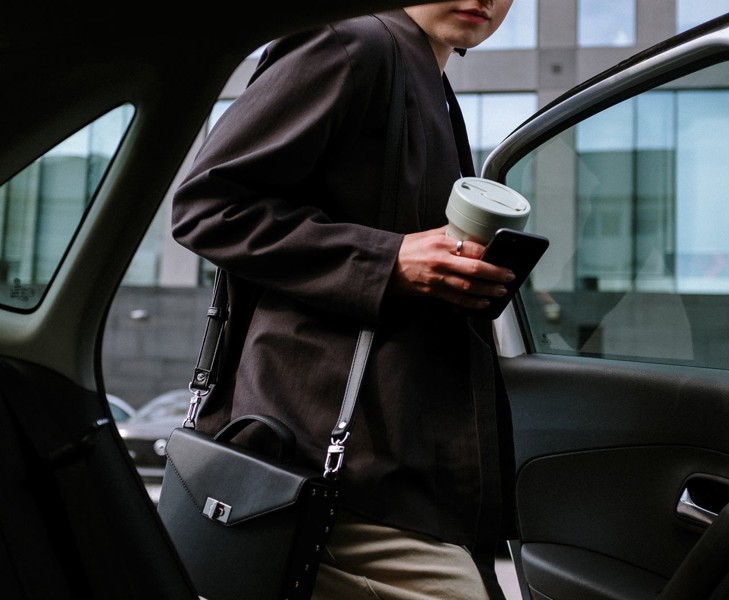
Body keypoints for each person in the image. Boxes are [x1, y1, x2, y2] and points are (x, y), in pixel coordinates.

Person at [171, 2, 517, 598]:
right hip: (326, 462)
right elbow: (208, 207)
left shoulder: (429, 83)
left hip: (392, 466)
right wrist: (389, 260)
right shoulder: (352, 44)